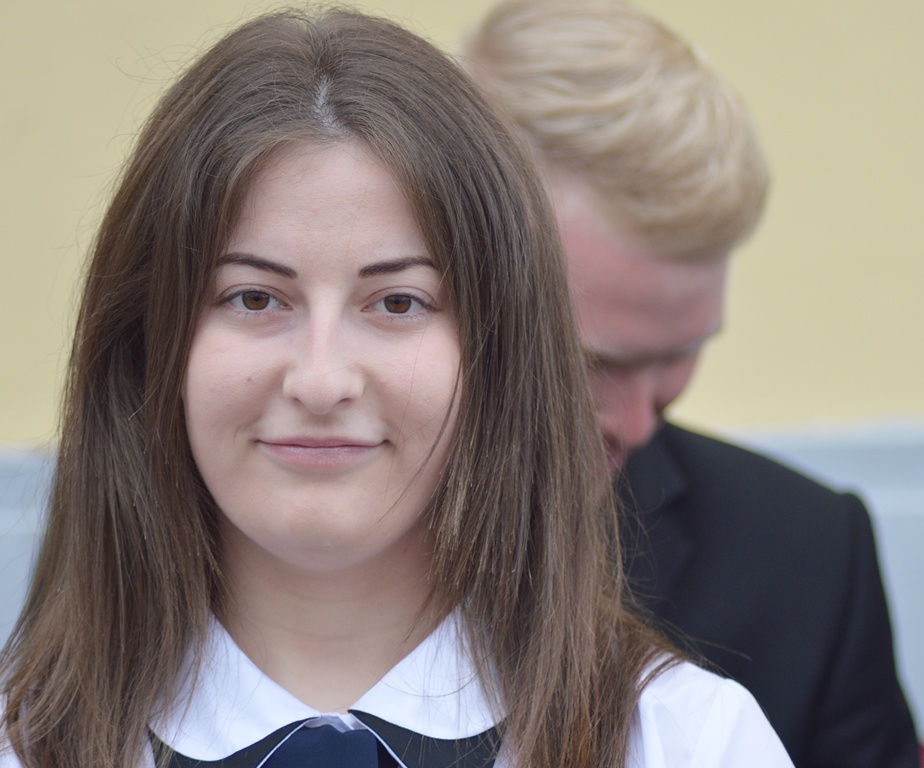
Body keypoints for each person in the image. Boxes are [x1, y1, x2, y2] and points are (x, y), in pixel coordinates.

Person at [0, 7, 794, 768]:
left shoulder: (689, 745)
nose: (320, 381)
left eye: (397, 303)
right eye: (255, 298)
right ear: (147, 343)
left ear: (503, 351)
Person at [463, 0, 920, 766]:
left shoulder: (805, 560)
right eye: (593, 363)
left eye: (680, 353)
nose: (639, 423)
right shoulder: (284, 530)